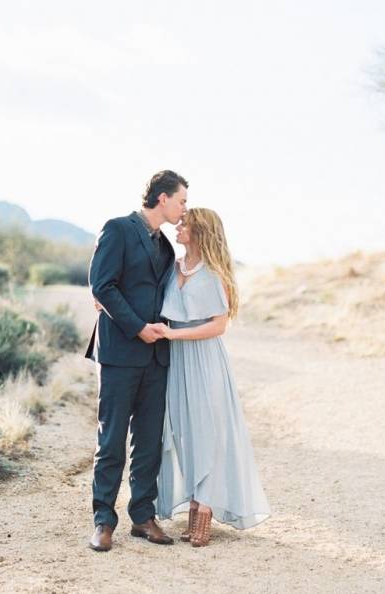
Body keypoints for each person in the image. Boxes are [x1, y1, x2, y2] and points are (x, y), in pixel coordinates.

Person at [153, 207, 271, 547]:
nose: (179, 226)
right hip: (176, 363)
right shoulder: (172, 268)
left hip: (204, 361)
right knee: (183, 433)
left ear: (200, 231)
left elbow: (219, 325)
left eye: (185, 224)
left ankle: (204, 507)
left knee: (208, 432)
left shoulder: (214, 274)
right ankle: (193, 502)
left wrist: (174, 336)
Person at [85, 170, 188, 552]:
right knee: (110, 441)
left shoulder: (166, 247)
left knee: (148, 441)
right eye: (181, 200)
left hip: (157, 356)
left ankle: (142, 517)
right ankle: (102, 522)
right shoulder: (117, 229)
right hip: (120, 353)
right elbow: (102, 285)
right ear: (162, 198)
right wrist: (137, 327)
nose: (184, 208)